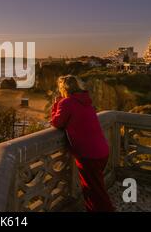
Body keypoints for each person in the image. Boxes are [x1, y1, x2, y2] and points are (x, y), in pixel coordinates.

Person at [50, 75, 115, 212]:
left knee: (94, 192)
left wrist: (56, 105)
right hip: (102, 151)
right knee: (96, 188)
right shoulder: (86, 101)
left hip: (88, 155)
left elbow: (57, 123)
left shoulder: (66, 103)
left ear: (63, 88)